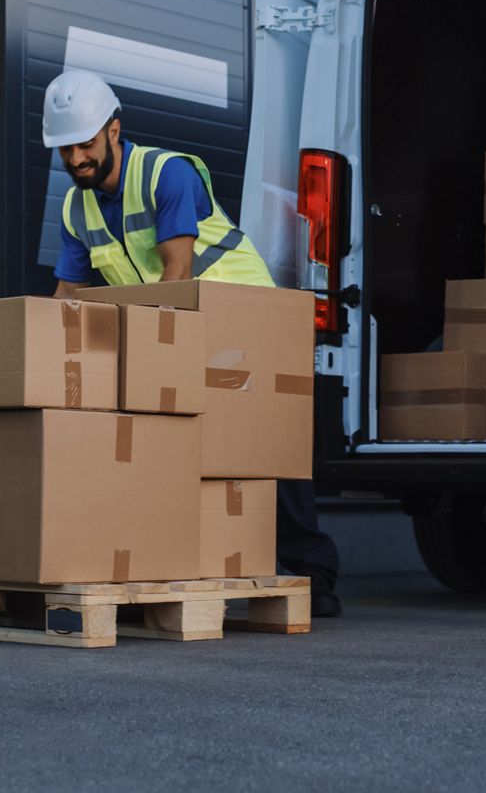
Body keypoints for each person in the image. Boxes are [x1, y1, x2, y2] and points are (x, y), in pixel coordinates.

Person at [46, 69, 342, 617]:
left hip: (249, 319)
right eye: (64, 150)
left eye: (84, 145)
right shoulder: (74, 208)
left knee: (266, 445)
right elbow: (68, 295)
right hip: (179, 324)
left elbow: (177, 272)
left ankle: (312, 574)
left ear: (114, 130)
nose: (75, 160)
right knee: (177, 446)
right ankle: (162, 566)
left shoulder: (166, 173)